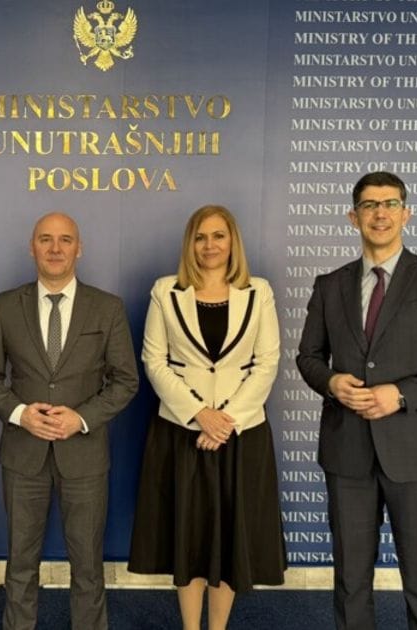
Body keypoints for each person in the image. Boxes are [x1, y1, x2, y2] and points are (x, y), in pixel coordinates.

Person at [296, 172, 417, 630]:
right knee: (350, 584)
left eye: (390, 204)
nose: (379, 213)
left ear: (406, 214)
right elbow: (308, 357)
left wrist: (400, 394)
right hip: (348, 455)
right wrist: (331, 382)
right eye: (369, 205)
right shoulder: (329, 285)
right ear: (353, 217)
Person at [0, 212, 138, 630]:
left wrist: (81, 418)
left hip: (84, 455)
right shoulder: (6, 305)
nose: (55, 248)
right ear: (31, 247)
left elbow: (126, 381)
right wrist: (21, 414)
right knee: (20, 564)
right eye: (45, 239)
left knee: (88, 566)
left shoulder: (107, 307)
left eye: (65, 240)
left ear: (79, 248)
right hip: (22, 453)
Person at [128, 205, 286, 630]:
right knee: (190, 537)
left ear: (232, 242)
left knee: (230, 539)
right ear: (190, 244)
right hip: (182, 433)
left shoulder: (258, 291)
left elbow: (267, 363)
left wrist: (225, 421)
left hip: (240, 435)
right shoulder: (166, 291)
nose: (209, 245)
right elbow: (154, 361)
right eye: (200, 237)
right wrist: (200, 414)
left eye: (218, 236)